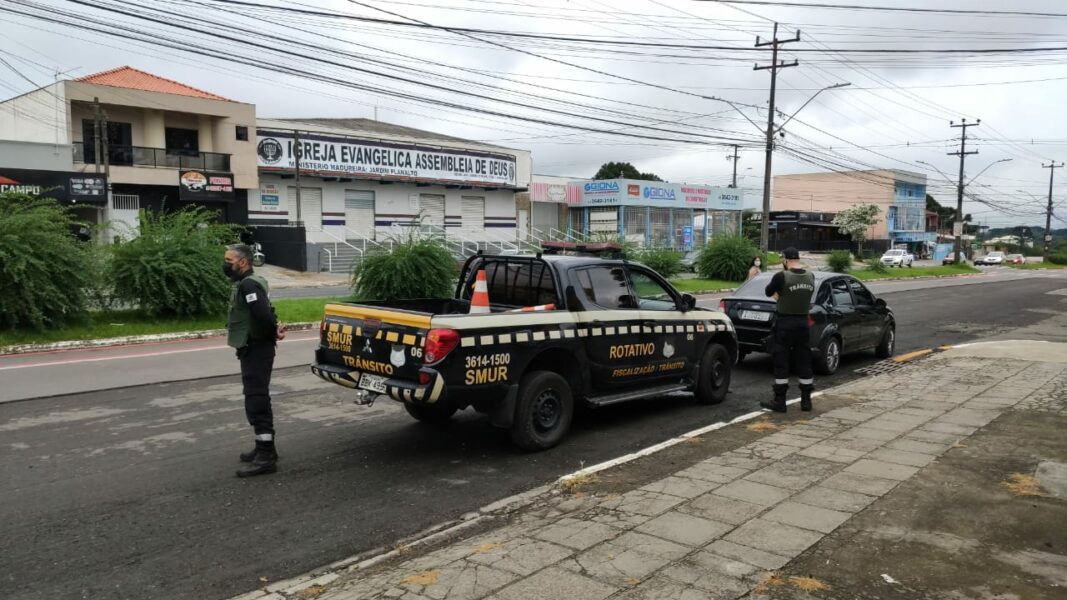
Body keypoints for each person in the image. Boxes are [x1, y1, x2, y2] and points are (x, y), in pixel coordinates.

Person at [224, 244, 285, 477]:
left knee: (256, 397)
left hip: (257, 347)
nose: (226, 264)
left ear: (243, 262)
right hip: (255, 346)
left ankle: (266, 455)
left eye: (229, 260)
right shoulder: (246, 283)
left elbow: (263, 313)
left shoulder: (249, 284)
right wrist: (274, 329)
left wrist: (273, 331)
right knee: (255, 395)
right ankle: (265, 447)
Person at [762, 247, 815, 413]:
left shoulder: (781, 276)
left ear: (785, 260)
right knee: (804, 361)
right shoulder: (810, 276)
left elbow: (768, 292)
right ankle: (806, 401)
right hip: (803, 323)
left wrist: (780, 295)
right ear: (798, 259)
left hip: (785, 323)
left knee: (781, 361)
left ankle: (780, 401)